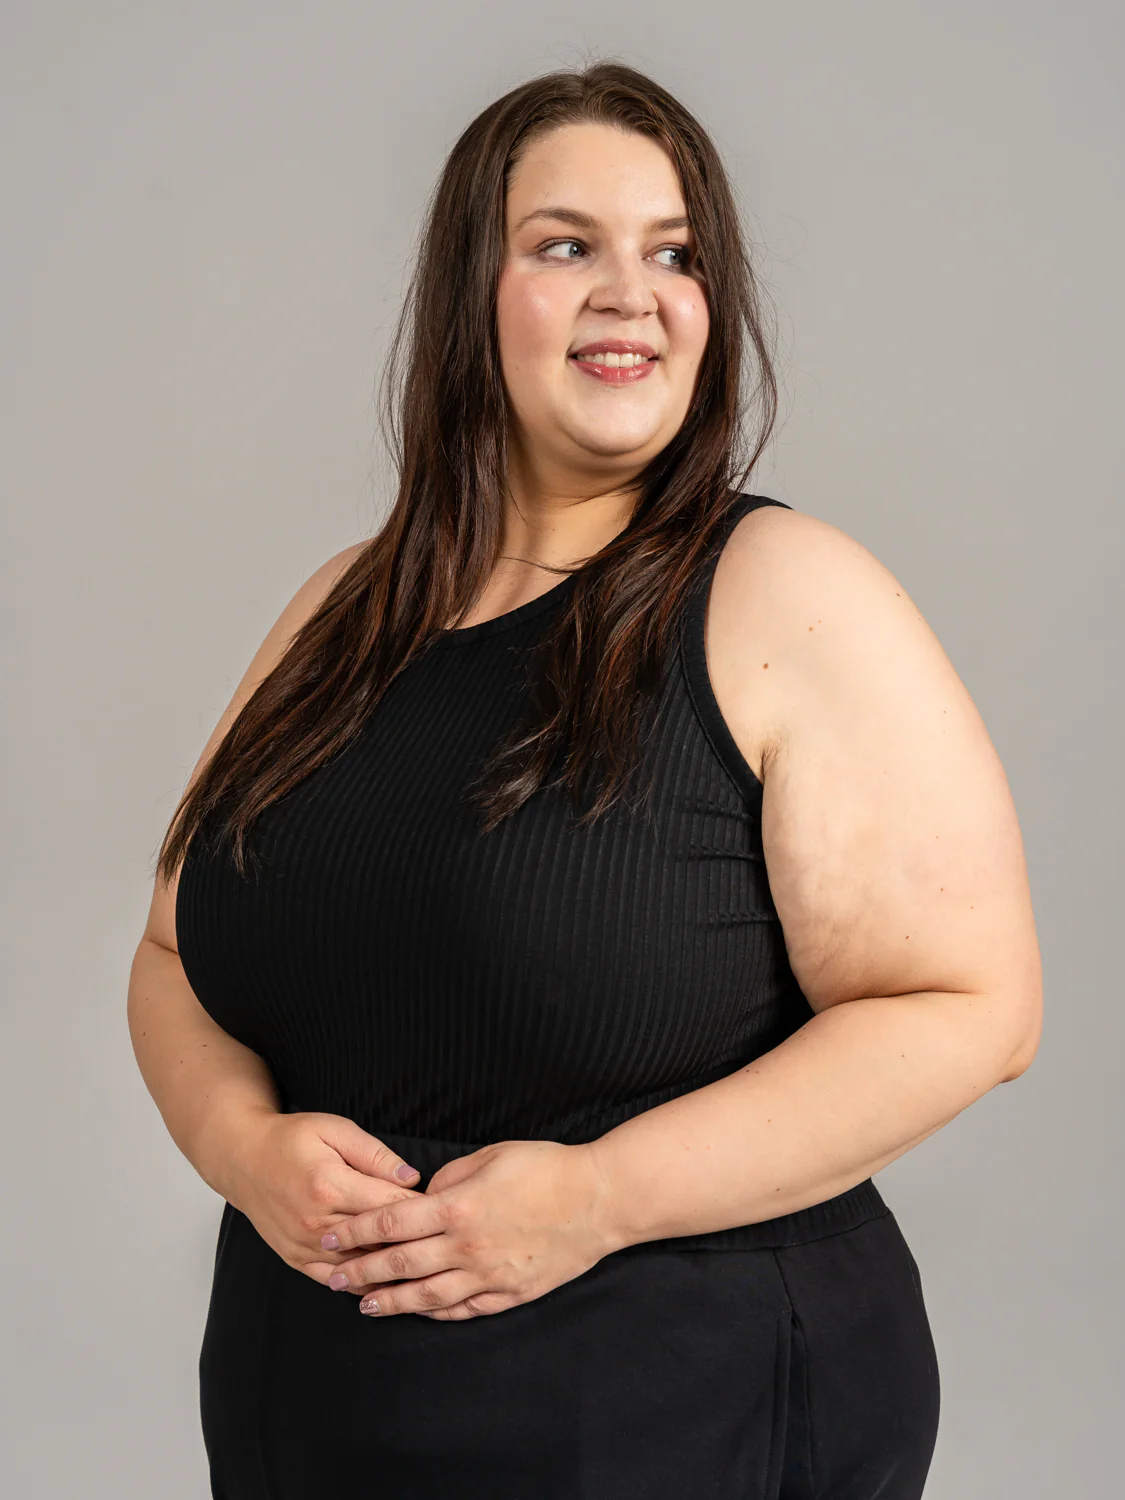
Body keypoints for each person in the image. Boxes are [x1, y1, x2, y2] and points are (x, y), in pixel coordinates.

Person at [129, 59, 1042, 1500]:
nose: (633, 294)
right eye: (567, 247)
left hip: (674, 1404)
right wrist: (237, 1147)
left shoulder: (786, 594)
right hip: (312, 1408)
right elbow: (176, 954)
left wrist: (603, 1197)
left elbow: (973, 1008)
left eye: (674, 255)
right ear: (470, 297)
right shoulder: (343, 609)